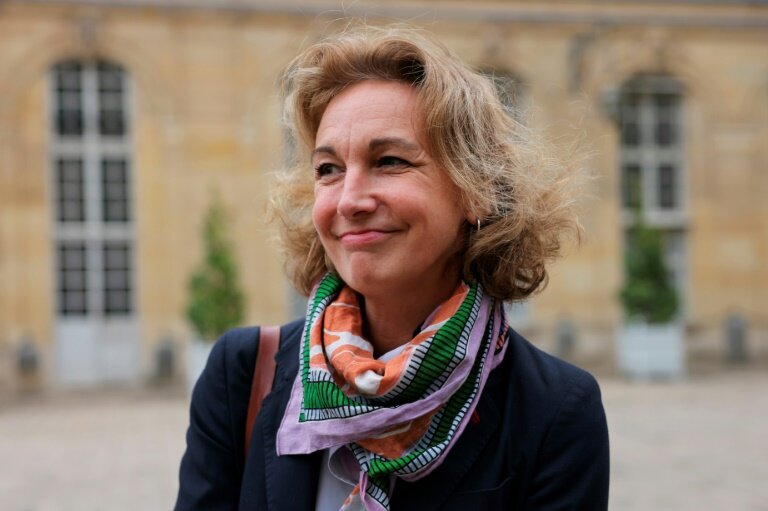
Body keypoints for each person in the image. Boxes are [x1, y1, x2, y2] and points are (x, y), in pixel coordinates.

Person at [175, 25, 609, 511]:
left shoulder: (554, 410)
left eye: (389, 161)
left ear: (476, 190)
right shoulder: (243, 374)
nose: (351, 200)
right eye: (328, 169)